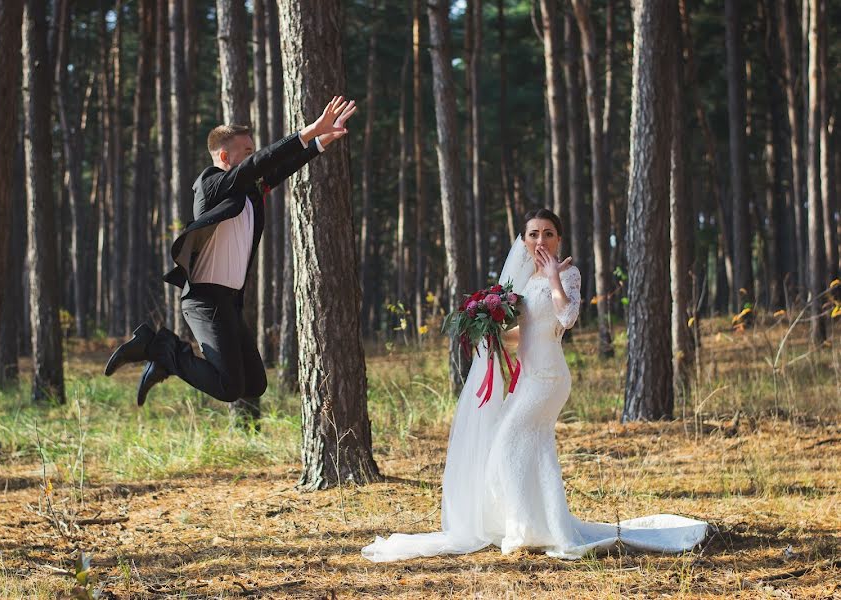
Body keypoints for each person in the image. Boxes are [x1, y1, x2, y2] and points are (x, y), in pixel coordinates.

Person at [362, 208, 710, 561]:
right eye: (533, 234)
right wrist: (489, 334)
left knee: (506, 444)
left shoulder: (568, 273)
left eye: (547, 234)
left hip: (548, 377)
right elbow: (525, 335)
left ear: (558, 239)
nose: (540, 240)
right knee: (533, 449)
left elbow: (567, 318)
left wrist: (555, 279)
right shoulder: (525, 283)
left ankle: (525, 529)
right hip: (526, 376)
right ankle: (540, 525)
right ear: (524, 240)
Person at [105, 96, 357, 411]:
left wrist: (319, 143)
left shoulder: (246, 191)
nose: (255, 156)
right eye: (247, 151)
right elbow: (261, 163)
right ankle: (160, 348)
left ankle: (165, 360)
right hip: (204, 300)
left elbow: (276, 169)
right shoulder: (210, 185)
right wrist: (306, 132)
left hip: (227, 302)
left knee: (254, 384)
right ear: (225, 155)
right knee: (228, 387)